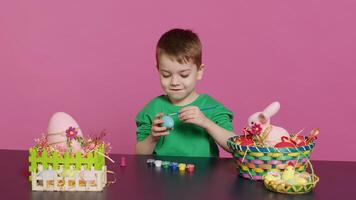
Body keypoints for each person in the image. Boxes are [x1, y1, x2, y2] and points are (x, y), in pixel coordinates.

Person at [135, 28, 235, 157]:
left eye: (184, 75)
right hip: (161, 175)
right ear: (158, 70)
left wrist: (206, 123)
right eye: (166, 75)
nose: (174, 82)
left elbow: (234, 146)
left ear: (199, 71)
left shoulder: (212, 107)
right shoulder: (152, 109)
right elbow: (139, 155)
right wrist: (152, 138)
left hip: (203, 176)